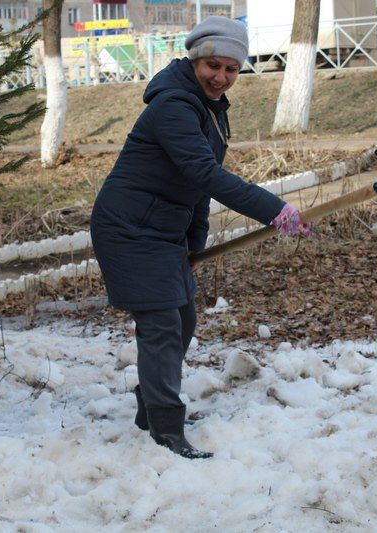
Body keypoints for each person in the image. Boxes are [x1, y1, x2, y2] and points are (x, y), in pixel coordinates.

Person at [90, 16, 311, 459]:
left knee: (183, 321)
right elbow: (205, 174)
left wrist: (194, 244)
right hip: (130, 229)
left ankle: (150, 410)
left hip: (162, 231)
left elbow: (192, 189)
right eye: (213, 65)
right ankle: (166, 429)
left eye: (231, 69)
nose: (221, 77)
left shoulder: (209, 108)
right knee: (162, 326)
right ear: (194, 59)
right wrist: (274, 210)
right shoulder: (173, 105)